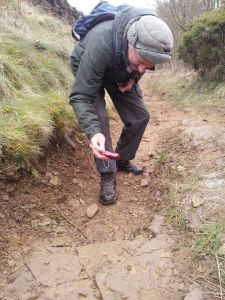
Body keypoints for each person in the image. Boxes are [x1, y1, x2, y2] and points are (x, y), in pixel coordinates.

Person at [69, 5, 173, 205]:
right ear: (130, 42)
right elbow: (81, 95)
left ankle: (122, 159)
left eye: (149, 66)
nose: (144, 69)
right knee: (99, 120)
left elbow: (142, 64)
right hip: (90, 66)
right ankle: (108, 174)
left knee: (140, 116)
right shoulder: (102, 41)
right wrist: (93, 132)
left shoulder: (146, 45)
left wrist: (133, 77)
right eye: (141, 62)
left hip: (121, 70)